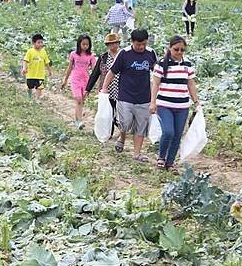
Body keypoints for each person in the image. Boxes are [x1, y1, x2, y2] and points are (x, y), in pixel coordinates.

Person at [101, 29, 158, 163]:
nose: (141, 47)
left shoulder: (151, 53)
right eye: (138, 44)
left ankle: (137, 154)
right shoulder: (124, 54)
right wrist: (104, 88)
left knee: (141, 126)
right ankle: (122, 136)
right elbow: (112, 72)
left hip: (144, 97)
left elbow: (157, 73)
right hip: (125, 96)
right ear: (132, 42)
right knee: (125, 122)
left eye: (144, 44)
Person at [150, 36, 199, 173]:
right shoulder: (162, 64)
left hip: (182, 106)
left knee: (177, 135)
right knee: (168, 132)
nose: (179, 52)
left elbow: (191, 83)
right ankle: (161, 157)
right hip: (164, 104)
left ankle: (170, 162)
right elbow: (155, 84)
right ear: (170, 48)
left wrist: (196, 101)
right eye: (176, 49)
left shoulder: (187, 64)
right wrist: (153, 102)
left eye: (182, 50)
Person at [85, 33, 121, 137]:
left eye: (115, 43)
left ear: (118, 43)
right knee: (107, 111)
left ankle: (120, 127)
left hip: (121, 89)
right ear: (107, 45)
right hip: (107, 90)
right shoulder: (103, 57)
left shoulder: (123, 55)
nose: (113, 46)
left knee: (119, 111)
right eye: (110, 44)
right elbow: (95, 73)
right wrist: (88, 89)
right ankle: (109, 132)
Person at [61, 35, 96, 129]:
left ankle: (77, 120)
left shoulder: (91, 56)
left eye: (87, 44)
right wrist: (65, 79)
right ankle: (80, 121)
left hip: (85, 80)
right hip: (75, 79)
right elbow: (69, 68)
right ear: (79, 44)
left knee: (81, 101)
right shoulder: (73, 54)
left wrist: (95, 82)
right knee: (78, 99)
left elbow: (95, 70)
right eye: (83, 44)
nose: (85, 46)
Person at [21, 34, 53, 99]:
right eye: (38, 42)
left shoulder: (43, 52)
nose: (40, 44)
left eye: (41, 42)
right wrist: (24, 68)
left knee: (39, 87)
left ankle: (37, 99)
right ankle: (29, 97)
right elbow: (25, 61)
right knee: (30, 87)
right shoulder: (30, 51)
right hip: (31, 74)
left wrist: (49, 71)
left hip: (40, 75)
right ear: (33, 43)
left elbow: (47, 62)